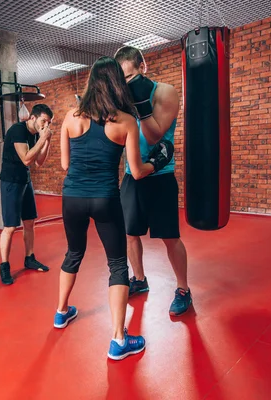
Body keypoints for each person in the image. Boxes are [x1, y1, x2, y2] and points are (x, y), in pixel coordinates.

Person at [55, 56, 174, 361]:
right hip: (106, 199)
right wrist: (157, 161)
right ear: (118, 84)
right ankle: (118, 340)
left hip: (72, 199)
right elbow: (136, 171)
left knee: (73, 253)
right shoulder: (125, 121)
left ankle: (61, 312)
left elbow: (66, 164)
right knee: (118, 266)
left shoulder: (71, 116)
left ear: (91, 83)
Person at [114, 46, 191, 316]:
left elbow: (155, 136)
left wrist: (140, 105)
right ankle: (139, 279)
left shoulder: (165, 92)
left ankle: (183, 289)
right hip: (132, 177)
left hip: (160, 176)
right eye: (122, 80)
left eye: (131, 76)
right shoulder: (120, 98)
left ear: (143, 67)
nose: (127, 84)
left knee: (170, 236)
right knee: (130, 233)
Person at [0, 104, 54, 285]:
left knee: (30, 222)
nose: (46, 124)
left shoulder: (37, 134)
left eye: (49, 122)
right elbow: (27, 158)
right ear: (32, 118)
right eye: (43, 120)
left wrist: (47, 140)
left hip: (25, 181)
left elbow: (39, 162)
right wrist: (42, 139)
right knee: (10, 227)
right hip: (10, 181)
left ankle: (29, 257)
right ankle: (4, 266)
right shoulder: (17, 131)